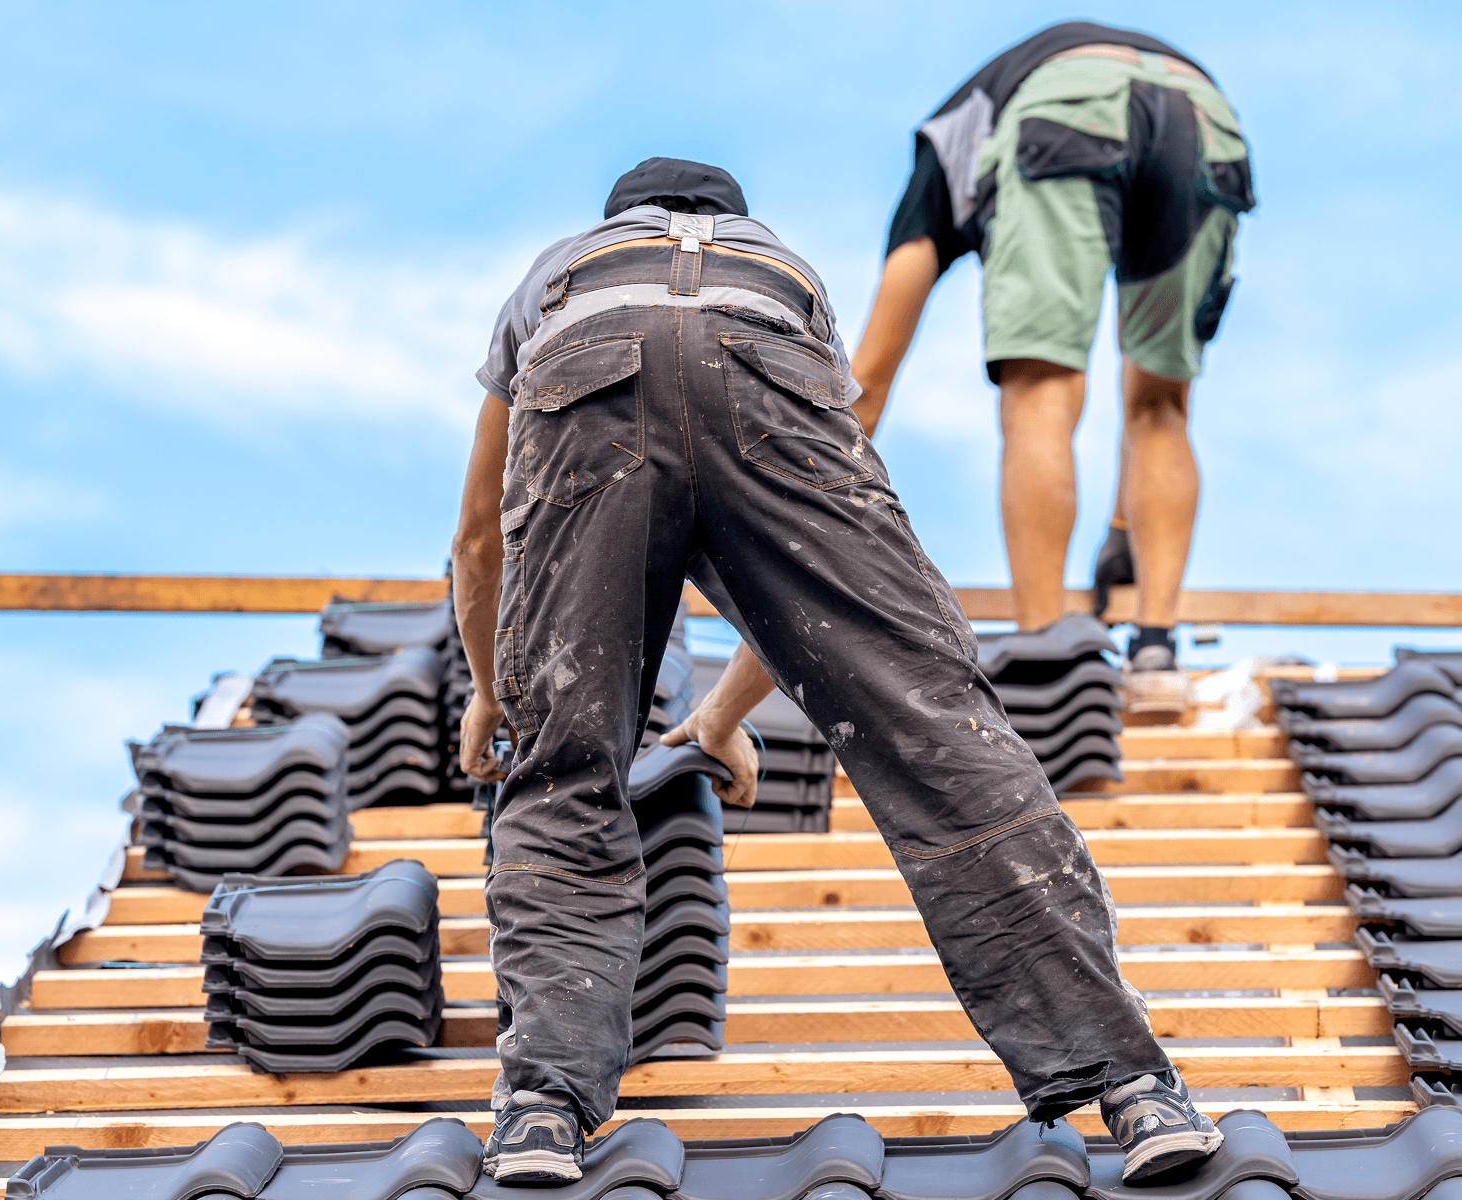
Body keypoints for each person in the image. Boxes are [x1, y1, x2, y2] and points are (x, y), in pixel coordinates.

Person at [450, 158, 1224, 1186]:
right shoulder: (781, 272)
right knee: (937, 731)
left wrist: (498, 695)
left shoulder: (556, 275)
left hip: (581, 383)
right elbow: (809, 594)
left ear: (618, 220)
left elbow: (475, 542)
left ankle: (541, 1112)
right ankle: (1134, 1088)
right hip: (765, 370)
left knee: (563, 770)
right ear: (730, 220)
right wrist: (725, 717)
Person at [848, 21, 1255, 715]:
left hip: (1067, 106)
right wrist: (1120, 534)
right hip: (1206, 117)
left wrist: (823, 472)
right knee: (1161, 404)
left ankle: (1045, 658)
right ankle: (1154, 652)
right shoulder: (986, 108)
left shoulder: (941, 155)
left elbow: (868, 385)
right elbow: (1143, 398)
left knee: (1042, 387)